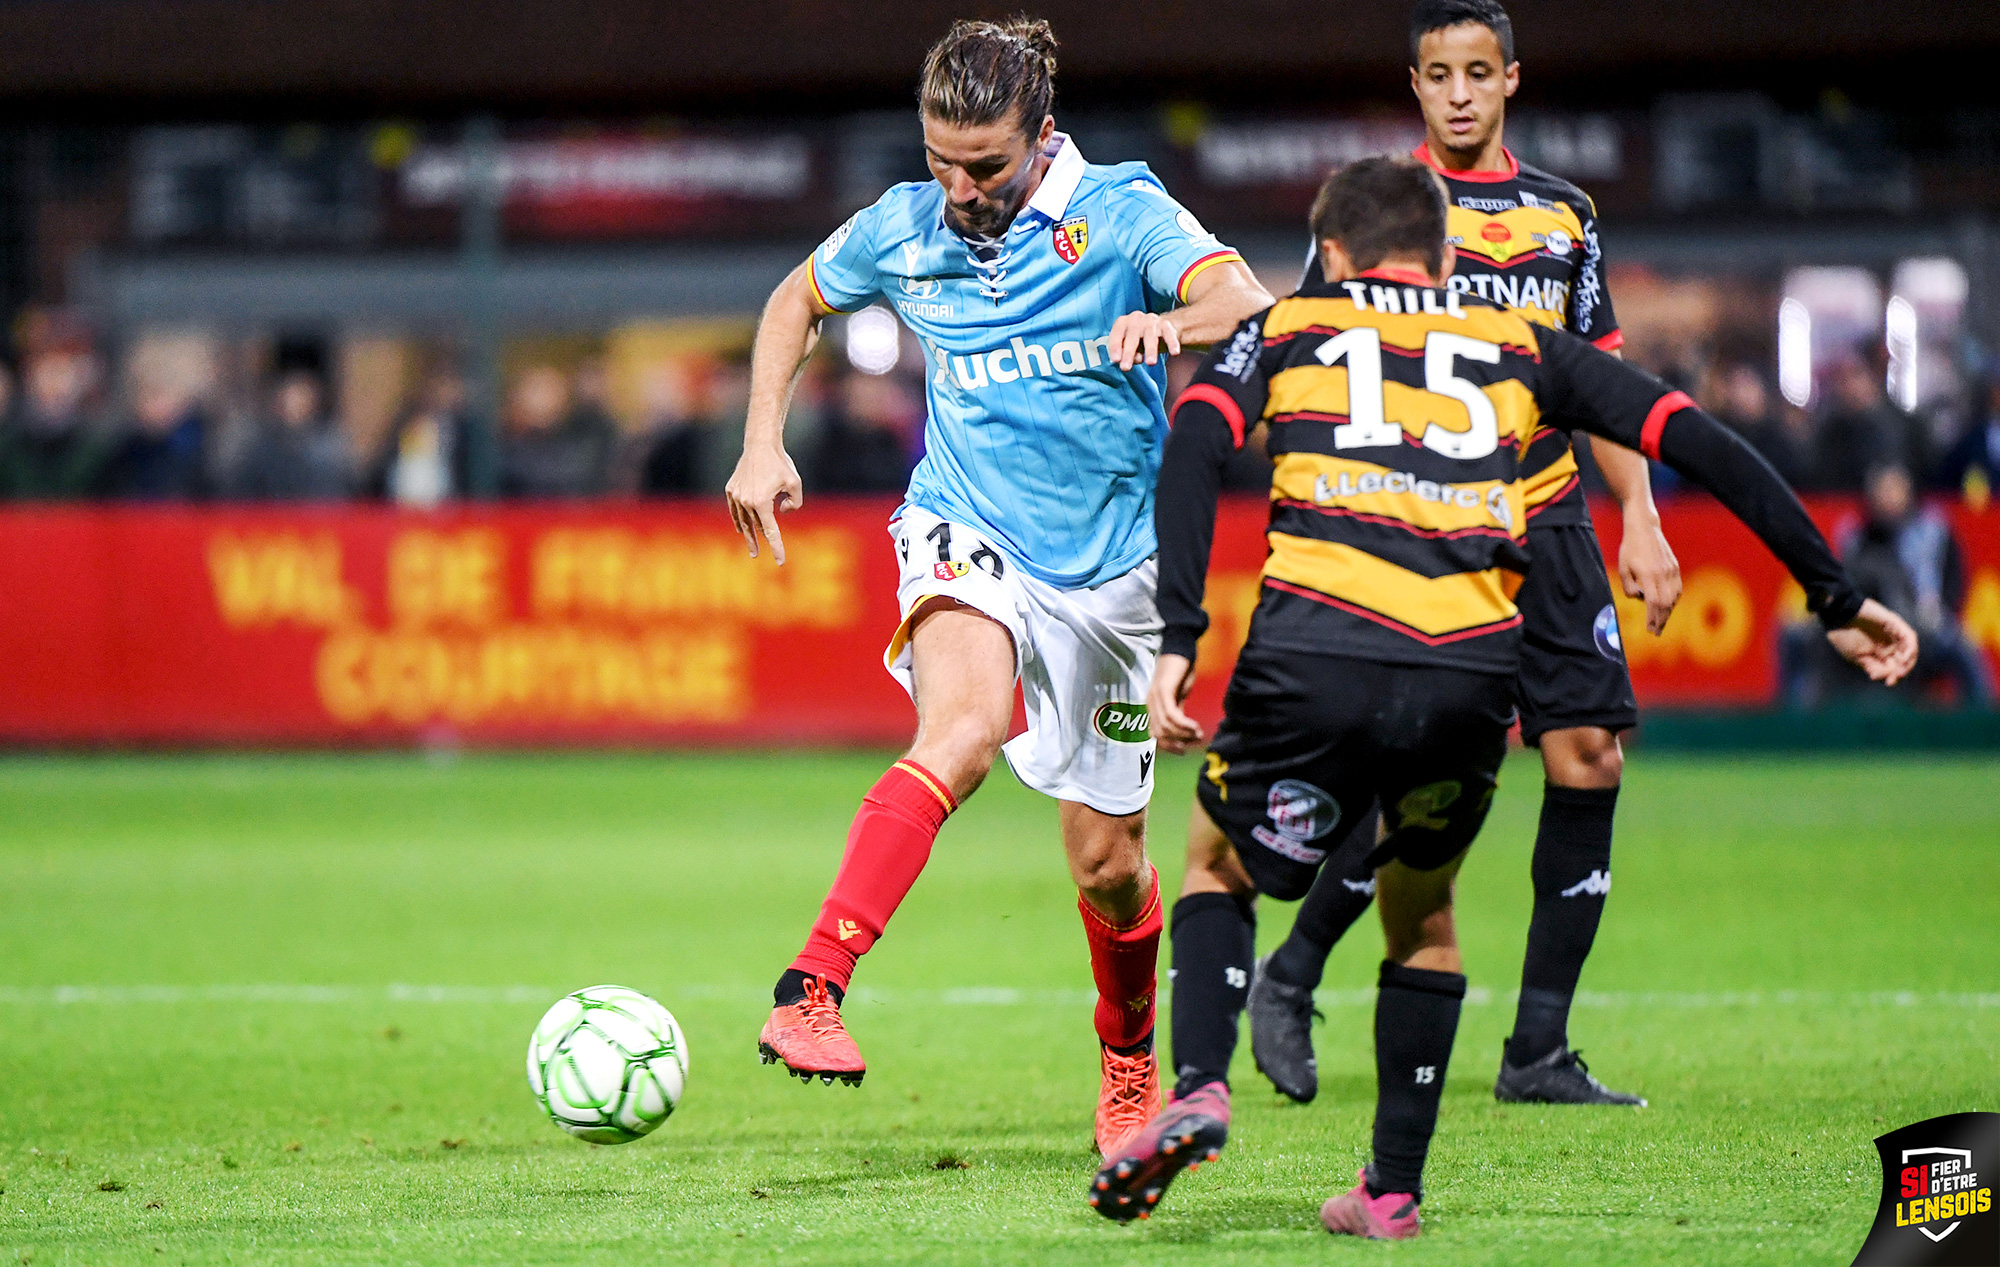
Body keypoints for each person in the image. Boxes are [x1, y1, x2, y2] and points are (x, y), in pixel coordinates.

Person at [1089, 155, 1916, 1237]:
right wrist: (1835, 594)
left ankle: (1197, 1081)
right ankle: (1388, 1191)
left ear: (1330, 252)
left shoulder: (1289, 322)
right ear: (1443, 255)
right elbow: (1696, 439)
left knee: (1212, 861)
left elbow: (1195, 443)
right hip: (1469, 674)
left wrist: (1178, 637)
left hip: (1314, 657)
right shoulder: (1517, 341)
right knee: (1423, 912)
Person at [724, 17, 1270, 1159]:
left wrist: (1167, 320)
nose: (959, 187)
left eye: (984, 165)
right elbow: (794, 299)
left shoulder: (1118, 209)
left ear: (1042, 138)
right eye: (939, 160)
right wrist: (761, 443)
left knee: (1107, 867)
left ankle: (1128, 1068)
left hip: (1114, 570)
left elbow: (1243, 304)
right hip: (963, 524)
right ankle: (812, 983)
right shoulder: (904, 225)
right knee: (961, 731)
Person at [1250, 0, 1681, 1111]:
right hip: (1426, 523)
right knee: (1425, 781)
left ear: (1508, 82)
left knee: (1589, 756)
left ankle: (1536, 1049)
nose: (1456, 92)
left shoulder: (1561, 217)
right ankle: (1291, 972)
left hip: (1544, 510)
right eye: (1437, 74)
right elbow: (1310, 357)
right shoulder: (1380, 209)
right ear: (1414, 86)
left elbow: (1602, 383)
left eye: (1476, 73)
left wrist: (1639, 515)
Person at [1815, 347, 1935, 493]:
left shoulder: (1908, 427)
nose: (1848, 386)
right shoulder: (1831, 432)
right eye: (1840, 378)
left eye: (1855, 374)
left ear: (1874, 375)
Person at [225, 369, 353, 500]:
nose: (293, 405)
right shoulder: (259, 449)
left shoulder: (329, 447)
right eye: (288, 398)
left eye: (300, 398)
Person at [498, 364, 616, 498]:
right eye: (538, 391)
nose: (544, 399)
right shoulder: (506, 444)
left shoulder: (574, 436)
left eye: (550, 391)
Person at [100, 376, 212, 501]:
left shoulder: (196, 448)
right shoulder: (125, 449)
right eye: (144, 396)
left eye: (158, 396)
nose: (149, 405)